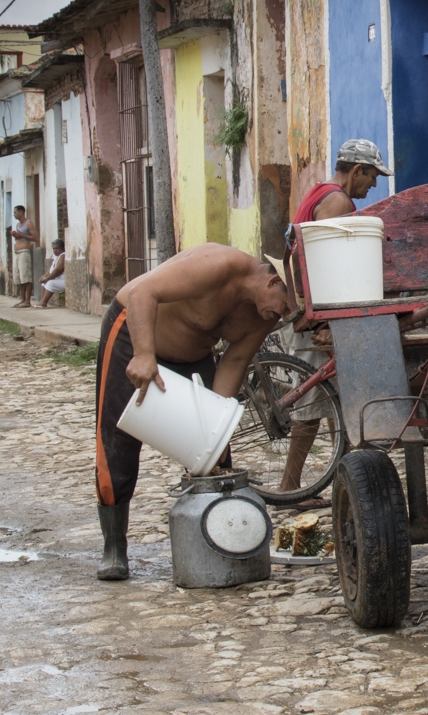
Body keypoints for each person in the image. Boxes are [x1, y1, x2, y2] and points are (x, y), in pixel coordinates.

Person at [94, 244, 293, 581]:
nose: (284, 315)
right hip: (134, 335)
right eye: (285, 306)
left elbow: (234, 361)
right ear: (274, 283)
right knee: (118, 442)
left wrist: (215, 421)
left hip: (194, 358)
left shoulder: (264, 313)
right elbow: (144, 291)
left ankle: (220, 544)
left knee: (214, 453)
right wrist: (144, 354)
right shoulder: (217, 264)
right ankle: (114, 547)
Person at [278, 139, 393, 499]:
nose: (373, 185)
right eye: (371, 176)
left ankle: (346, 482)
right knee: (310, 409)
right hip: (313, 313)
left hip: (307, 307)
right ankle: (290, 487)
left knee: (334, 403)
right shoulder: (339, 201)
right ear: (356, 170)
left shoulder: (318, 192)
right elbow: (330, 261)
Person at [8, 205, 38, 308]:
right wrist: (16, 236)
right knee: (20, 277)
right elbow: (20, 238)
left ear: (21, 212)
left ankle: (27, 301)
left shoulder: (28, 224)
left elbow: (35, 238)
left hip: (24, 252)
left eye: (15, 212)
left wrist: (21, 235)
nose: (14, 214)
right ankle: (23, 299)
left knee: (26, 277)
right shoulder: (18, 225)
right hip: (17, 252)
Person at [36, 239, 66, 308]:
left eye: (57, 248)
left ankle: (44, 302)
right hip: (58, 280)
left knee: (50, 283)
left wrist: (47, 278)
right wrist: (44, 276)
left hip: (63, 280)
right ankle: (41, 301)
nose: (55, 250)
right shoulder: (57, 257)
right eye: (54, 249)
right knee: (44, 282)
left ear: (62, 248)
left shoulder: (63, 255)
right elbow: (51, 269)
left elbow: (58, 270)